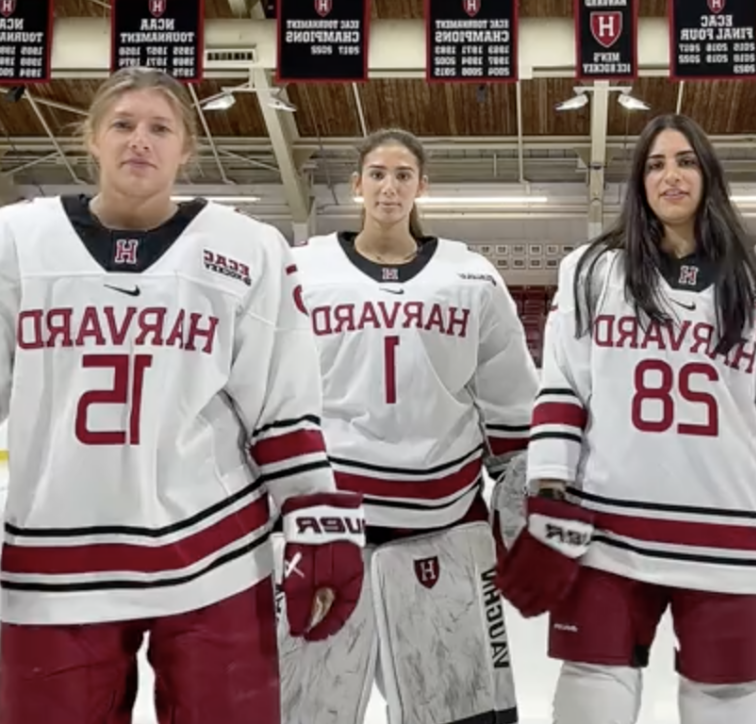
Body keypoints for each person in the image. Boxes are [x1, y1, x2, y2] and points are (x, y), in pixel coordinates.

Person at [0, 67, 365, 724]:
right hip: (53, 558)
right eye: (123, 124)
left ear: (185, 149)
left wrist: (320, 522)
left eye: (159, 128)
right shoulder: (16, 242)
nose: (140, 140)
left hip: (213, 552)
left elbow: (282, 406)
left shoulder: (247, 247)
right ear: (91, 139)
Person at [492, 113, 756, 724]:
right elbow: (564, 385)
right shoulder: (593, 268)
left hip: (733, 525)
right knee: (591, 686)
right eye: (655, 164)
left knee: (725, 698)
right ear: (637, 181)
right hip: (609, 525)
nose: (670, 176)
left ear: (709, 174)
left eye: (684, 161)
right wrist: (549, 488)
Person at [277, 127, 540, 724]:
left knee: (459, 711)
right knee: (298, 709)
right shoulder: (302, 270)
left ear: (422, 185)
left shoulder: (471, 276)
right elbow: (270, 395)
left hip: (443, 527)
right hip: (324, 528)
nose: (388, 187)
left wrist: (523, 504)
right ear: (356, 184)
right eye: (376, 173)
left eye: (402, 175)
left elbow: (512, 407)